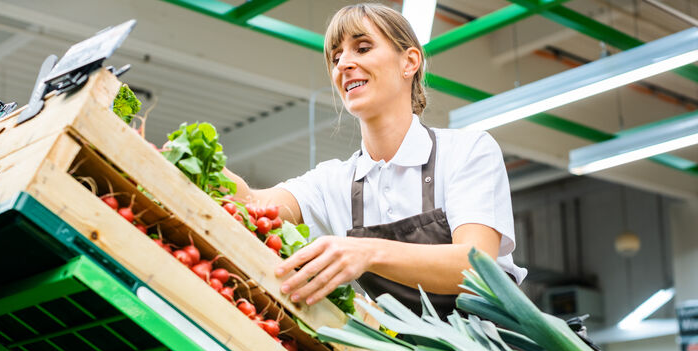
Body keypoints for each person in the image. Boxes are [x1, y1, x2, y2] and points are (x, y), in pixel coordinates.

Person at [223, 3, 526, 317]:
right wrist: (190, 158)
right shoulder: (333, 183)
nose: (344, 64)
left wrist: (366, 252)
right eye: (336, 57)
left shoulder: (467, 150)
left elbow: (476, 266)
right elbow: (253, 206)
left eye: (362, 48)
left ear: (409, 62)